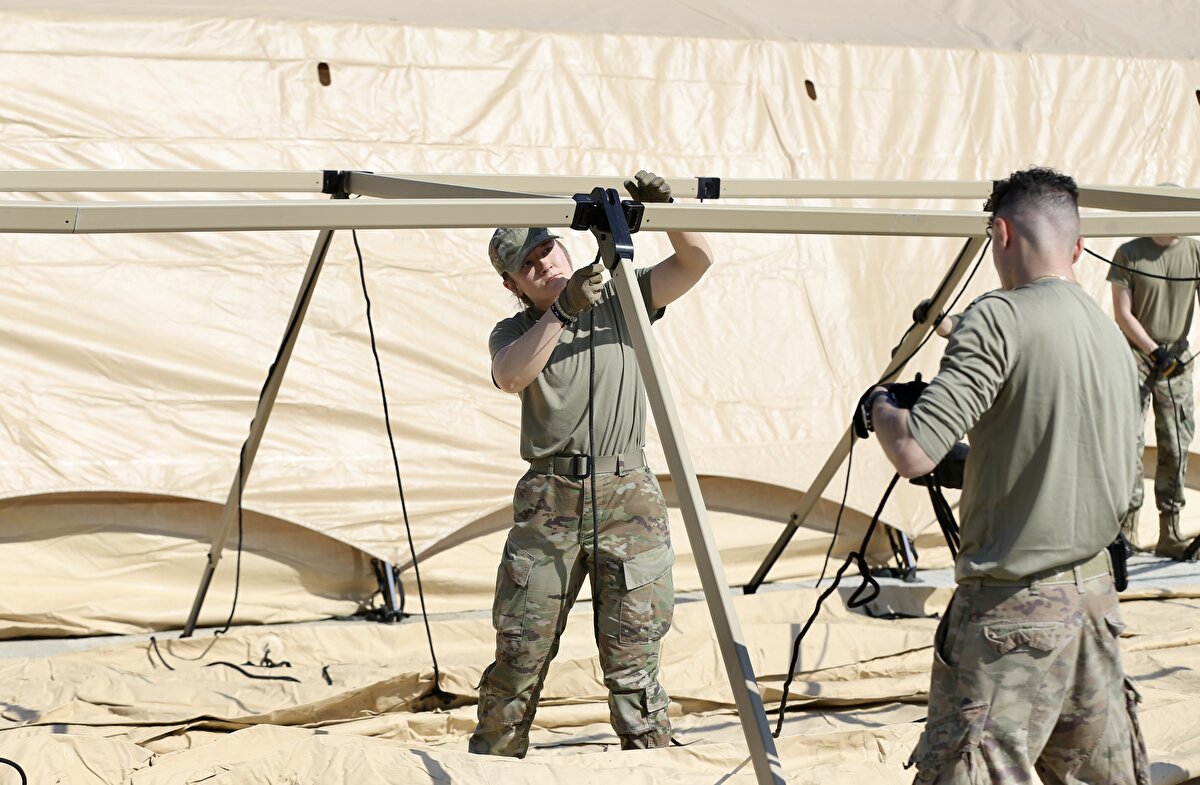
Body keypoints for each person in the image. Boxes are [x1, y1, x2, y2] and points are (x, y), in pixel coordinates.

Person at [858, 167, 1149, 782]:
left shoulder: (998, 319)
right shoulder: (1112, 337)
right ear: (1075, 246)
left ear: (1001, 233)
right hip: (1095, 607)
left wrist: (882, 406)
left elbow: (913, 452)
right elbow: (1102, 472)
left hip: (1013, 619)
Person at [468, 170, 714, 758]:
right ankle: (493, 765)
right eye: (528, 266)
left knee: (635, 664)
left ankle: (654, 766)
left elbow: (698, 259)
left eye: (547, 249)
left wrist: (666, 211)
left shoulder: (625, 299)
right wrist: (563, 311)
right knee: (520, 657)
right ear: (514, 285)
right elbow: (511, 374)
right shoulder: (517, 328)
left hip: (627, 492)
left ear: (563, 244)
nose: (545, 266)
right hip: (551, 498)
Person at [1108, 224, 1200, 559]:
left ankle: (1170, 533)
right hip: (1134, 356)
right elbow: (1122, 313)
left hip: (1177, 358)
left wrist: (1171, 355)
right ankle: (1126, 533)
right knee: (1128, 444)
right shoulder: (1129, 253)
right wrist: (1152, 351)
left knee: (1176, 444)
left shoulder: (1194, 251)